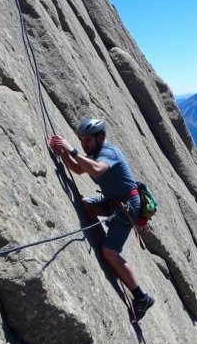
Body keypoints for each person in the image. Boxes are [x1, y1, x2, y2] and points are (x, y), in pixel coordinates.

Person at [49, 118, 155, 320]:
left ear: (101, 137)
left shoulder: (109, 152)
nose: (83, 145)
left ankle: (142, 298)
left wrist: (70, 150)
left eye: (87, 140)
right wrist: (63, 154)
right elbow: (80, 169)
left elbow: (96, 169)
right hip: (115, 201)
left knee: (110, 252)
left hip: (128, 206)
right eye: (81, 140)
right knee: (86, 203)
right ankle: (103, 236)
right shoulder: (95, 153)